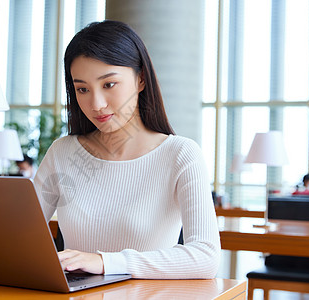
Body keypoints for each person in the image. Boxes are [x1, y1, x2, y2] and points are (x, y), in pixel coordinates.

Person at [33, 20, 220, 279]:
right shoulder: (62, 153)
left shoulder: (180, 154)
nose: (96, 104)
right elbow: (19, 236)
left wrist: (105, 262)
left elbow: (206, 258)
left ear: (141, 79)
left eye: (109, 84)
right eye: (82, 89)